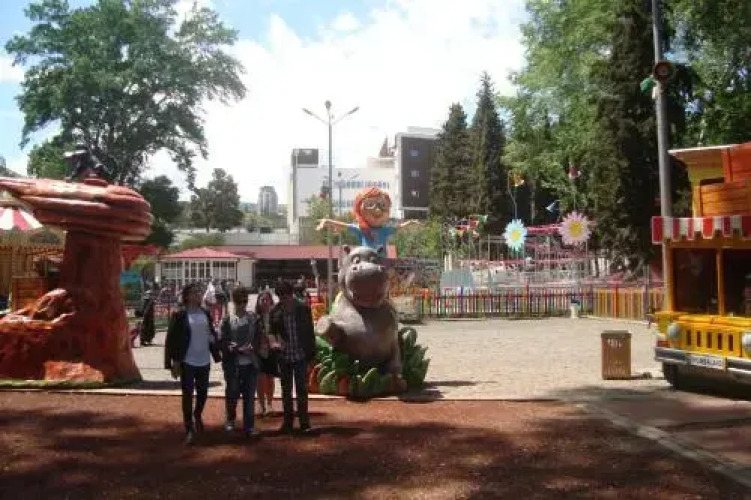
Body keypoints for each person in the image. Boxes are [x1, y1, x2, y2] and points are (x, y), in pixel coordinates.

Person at [164, 283, 222, 445]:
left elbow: (210, 333)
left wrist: (215, 341)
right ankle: (189, 428)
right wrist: (173, 362)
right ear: (187, 296)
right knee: (187, 394)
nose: (199, 295)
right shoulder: (179, 314)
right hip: (187, 361)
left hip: (204, 360)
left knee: (203, 392)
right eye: (195, 292)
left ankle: (197, 413)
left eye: (199, 292)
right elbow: (171, 339)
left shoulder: (205, 313)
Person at [271, 280, 316, 434]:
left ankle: (304, 423)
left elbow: (310, 333)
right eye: (280, 297)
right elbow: (271, 332)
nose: (283, 300)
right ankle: (288, 422)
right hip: (284, 357)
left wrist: (311, 356)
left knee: (302, 390)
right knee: (286, 391)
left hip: (300, 356)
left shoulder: (303, 309)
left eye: (285, 297)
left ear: (291, 295)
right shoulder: (275, 311)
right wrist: (274, 343)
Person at [219, 287, 261, 438]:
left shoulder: (253, 318)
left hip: (250, 364)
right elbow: (222, 341)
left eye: (245, 301)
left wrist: (253, 347)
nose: (242, 304)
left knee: (249, 397)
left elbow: (258, 337)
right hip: (233, 365)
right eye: (239, 301)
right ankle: (230, 420)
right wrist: (231, 347)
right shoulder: (227, 320)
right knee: (232, 394)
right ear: (234, 301)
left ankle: (249, 426)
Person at [255, 289, 280, 417]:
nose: (265, 302)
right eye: (262, 300)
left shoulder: (275, 317)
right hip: (258, 351)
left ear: (271, 301)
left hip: (272, 350)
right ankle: (261, 404)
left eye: (267, 299)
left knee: (270, 378)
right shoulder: (254, 318)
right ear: (258, 302)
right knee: (260, 377)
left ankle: (269, 404)